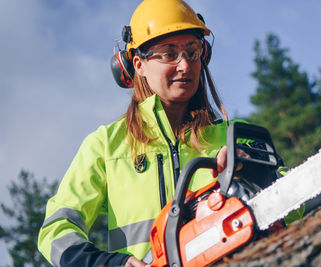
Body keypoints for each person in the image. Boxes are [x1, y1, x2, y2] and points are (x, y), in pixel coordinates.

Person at [38, 0, 303, 266]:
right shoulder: (105, 146)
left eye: (192, 51)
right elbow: (55, 231)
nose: (185, 66)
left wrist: (253, 173)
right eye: (168, 53)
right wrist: (108, 264)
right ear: (138, 64)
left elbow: (297, 202)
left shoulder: (234, 137)